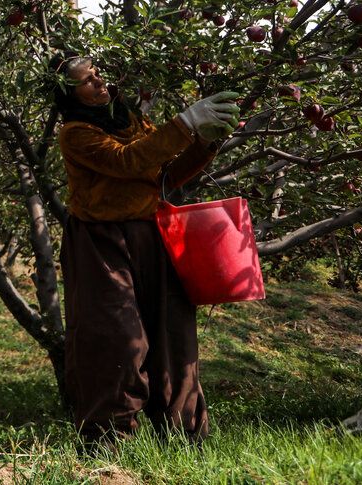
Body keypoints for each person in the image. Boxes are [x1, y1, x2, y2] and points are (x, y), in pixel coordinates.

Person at [52, 55, 239, 444]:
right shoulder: (76, 133)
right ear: (69, 94)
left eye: (98, 74)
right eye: (87, 81)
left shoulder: (132, 122)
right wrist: (186, 122)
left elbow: (165, 175)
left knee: (172, 333)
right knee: (116, 336)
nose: (99, 82)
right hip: (100, 242)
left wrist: (205, 142)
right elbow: (127, 160)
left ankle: (183, 436)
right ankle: (109, 439)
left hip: (151, 233)